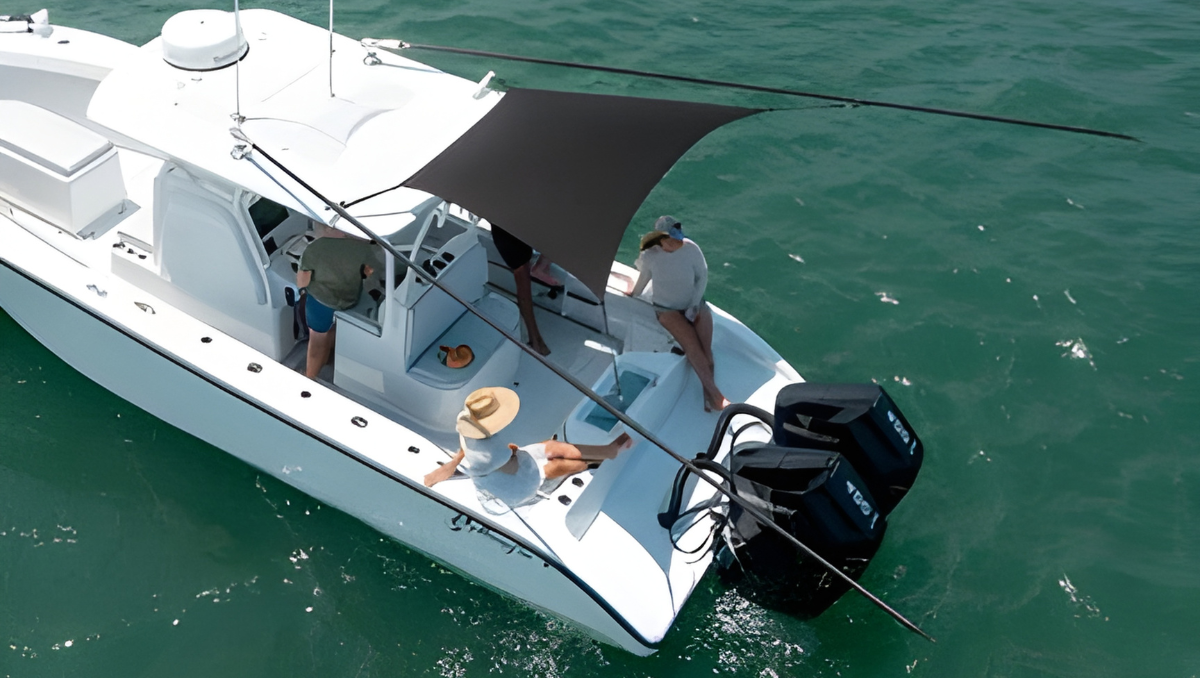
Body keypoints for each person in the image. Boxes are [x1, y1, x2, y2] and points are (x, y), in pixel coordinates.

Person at [423, 387, 633, 511]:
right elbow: (512, 468)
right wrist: (512, 452)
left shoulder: (466, 425)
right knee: (560, 465)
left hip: (509, 461)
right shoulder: (494, 452)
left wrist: (511, 453)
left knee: (553, 447)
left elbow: (466, 448)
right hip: (513, 481)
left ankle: (607, 451)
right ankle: (593, 461)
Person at [628, 215, 730, 411]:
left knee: (706, 350)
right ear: (661, 241)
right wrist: (633, 294)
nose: (678, 242)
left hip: (694, 303)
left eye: (679, 238)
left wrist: (693, 305)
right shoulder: (650, 256)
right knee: (692, 347)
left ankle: (707, 395)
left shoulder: (691, 248)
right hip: (667, 309)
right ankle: (717, 397)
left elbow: (702, 276)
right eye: (672, 240)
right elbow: (644, 278)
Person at [296, 233, 380, 379]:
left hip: (321, 301)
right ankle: (327, 358)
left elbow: (303, 280)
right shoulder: (362, 248)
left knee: (317, 341)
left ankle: (309, 377)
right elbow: (369, 271)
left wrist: (301, 291)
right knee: (332, 330)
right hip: (349, 300)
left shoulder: (316, 247)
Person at [491, 224, 552, 356]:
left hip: (515, 230)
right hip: (508, 236)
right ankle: (535, 340)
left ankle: (535, 340)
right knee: (524, 290)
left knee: (524, 288)